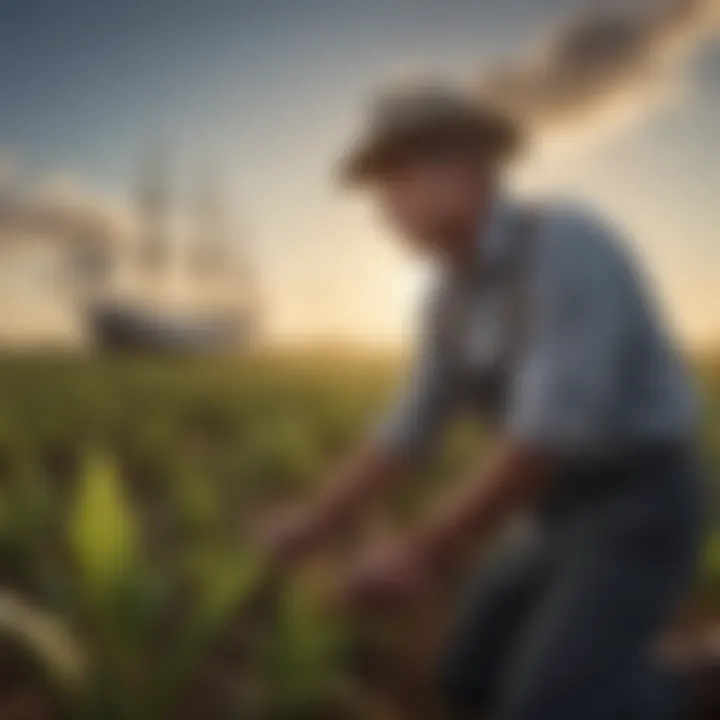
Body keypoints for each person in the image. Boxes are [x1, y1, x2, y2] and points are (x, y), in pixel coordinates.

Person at [263, 82, 704, 719]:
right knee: (467, 675)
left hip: (639, 501)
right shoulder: (447, 299)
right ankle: (623, 672)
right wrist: (315, 522)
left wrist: (421, 553)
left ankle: (698, 679)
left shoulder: (566, 244)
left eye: (397, 179)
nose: (383, 209)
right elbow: (409, 426)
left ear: (463, 169)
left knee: (553, 707)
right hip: (552, 512)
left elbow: (548, 434)